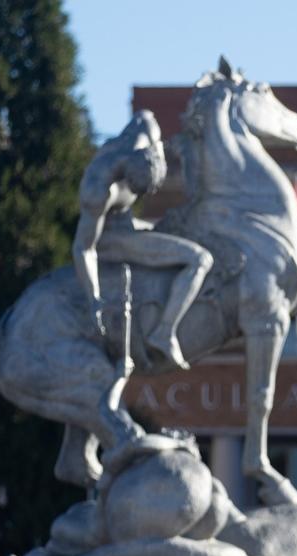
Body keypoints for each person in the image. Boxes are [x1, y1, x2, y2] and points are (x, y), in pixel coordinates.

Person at [72, 109, 213, 371]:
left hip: (128, 224)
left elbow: (145, 114)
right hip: (108, 238)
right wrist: (94, 300)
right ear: (126, 174)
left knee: (183, 231)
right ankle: (164, 332)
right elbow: (83, 248)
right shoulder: (98, 189)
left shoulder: (146, 130)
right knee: (199, 259)